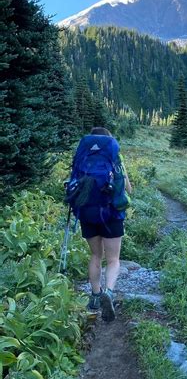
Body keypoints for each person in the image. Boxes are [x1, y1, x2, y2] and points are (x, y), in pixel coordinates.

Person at [67, 127, 132, 321]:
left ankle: (95, 296)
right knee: (113, 260)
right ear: (110, 141)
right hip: (112, 214)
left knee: (96, 255)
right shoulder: (115, 158)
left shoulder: (83, 157)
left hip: (87, 213)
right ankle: (109, 292)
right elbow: (128, 188)